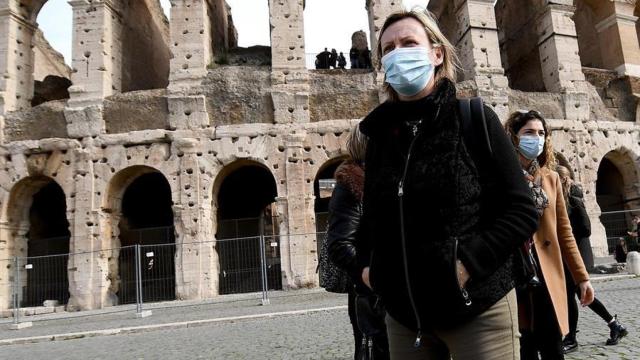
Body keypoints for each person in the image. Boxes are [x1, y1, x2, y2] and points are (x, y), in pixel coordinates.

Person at [356, 8, 539, 359]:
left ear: (436, 53)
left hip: (478, 308)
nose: (398, 54)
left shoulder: (473, 118)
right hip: (405, 319)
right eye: (388, 49)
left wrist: (466, 264)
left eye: (409, 42)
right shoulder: (378, 136)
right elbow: (373, 219)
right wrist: (372, 272)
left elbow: (521, 210)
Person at [504, 110, 595, 359]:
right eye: (529, 133)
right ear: (514, 137)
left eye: (541, 133)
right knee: (525, 347)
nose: (537, 138)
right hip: (515, 272)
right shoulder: (502, 176)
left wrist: (581, 277)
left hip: (547, 274)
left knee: (552, 344)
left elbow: (565, 233)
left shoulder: (551, 178)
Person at [327, 125, 389, 360]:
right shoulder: (350, 185)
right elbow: (340, 245)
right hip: (371, 292)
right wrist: (368, 274)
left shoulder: (381, 178)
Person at [556, 166, 628, 353]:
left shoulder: (574, 199)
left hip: (578, 253)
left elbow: (586, 228)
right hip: (570, 255)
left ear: (562, 179)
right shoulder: (564, 199)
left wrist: (568, 234)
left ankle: (571, 338)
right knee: (580, 295)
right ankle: (614, 325)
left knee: (574, 295)